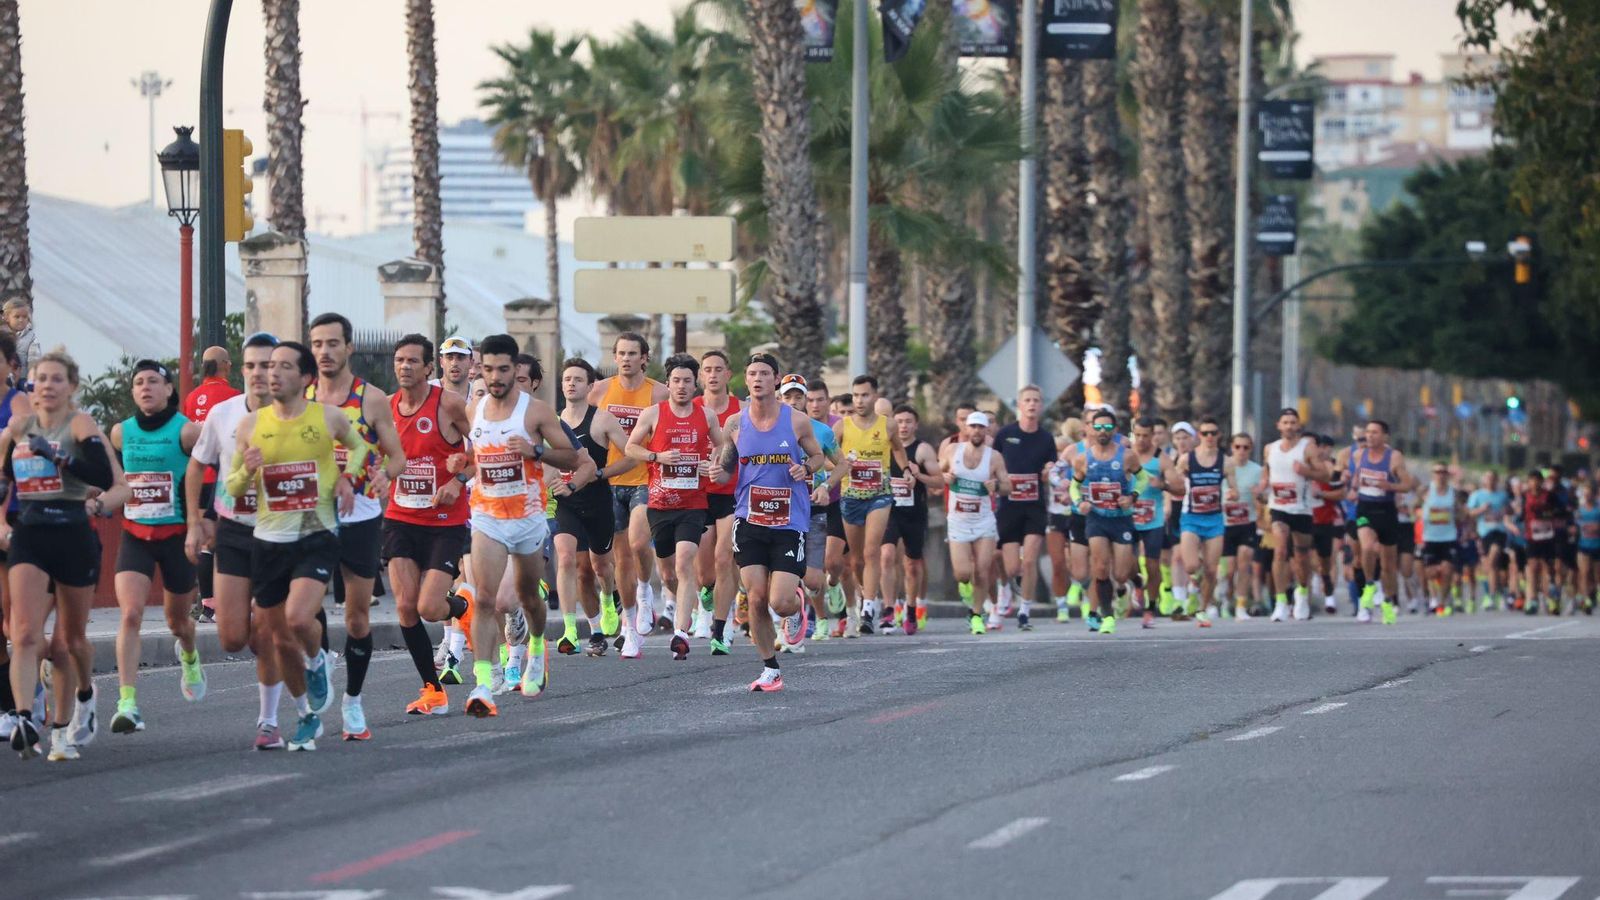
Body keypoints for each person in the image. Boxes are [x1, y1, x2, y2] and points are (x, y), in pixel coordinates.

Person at [227, 340, 371, 751]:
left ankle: (317, 661)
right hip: (268, 540)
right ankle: (306, 715)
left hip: (316, 535)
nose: (272, 373)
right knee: (278, 638)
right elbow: (233, 487)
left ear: (306, 378)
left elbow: (359, 449)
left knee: (295, 619)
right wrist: (245, 473)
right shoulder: (251, 425)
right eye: (270, 366)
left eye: (284, 366)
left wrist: (348, 477)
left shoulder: (328, 418)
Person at [2, 348, 126, 760]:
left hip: (73, 534)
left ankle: (80, 704)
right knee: (23, 632)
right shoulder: (18, 428)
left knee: (68, 642)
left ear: (71, 387)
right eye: (41, 379)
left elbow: (104, 477)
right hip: (30, 535)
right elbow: (3, 478)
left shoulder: (81, 423)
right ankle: (23, 716)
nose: (48, 386)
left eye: (57, 379)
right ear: (30, 386)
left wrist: (55, 455)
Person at [459, 336, 582, 717]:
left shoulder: (537, 412)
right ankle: (482, 681)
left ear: (516, 370)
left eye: (503, 370)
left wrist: (537, 451)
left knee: (529, 598)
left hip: (528, 518)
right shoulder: (473, 410)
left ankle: (536, 648)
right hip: (487, 516)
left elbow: (574, 458)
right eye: (488, 369)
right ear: (480, 369)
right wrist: (456, 471)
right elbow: (469, 457)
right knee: (485, 598)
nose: (495, 377)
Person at [184, 332, 288, 749]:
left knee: (265, 631)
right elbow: (196, 469)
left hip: (279, 532)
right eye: (252, 365)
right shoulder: (223, 414)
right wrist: (195, 521)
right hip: (233, 530)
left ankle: (268, 720)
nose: (260, 373)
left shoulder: (297, 416)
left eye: (269, 365)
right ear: (241, 370)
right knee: (230, 637)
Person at [306, 313, 406, 740]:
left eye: (333, 343)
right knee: (305, 606)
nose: (325, 351)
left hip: (361, 516)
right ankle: (320, 659)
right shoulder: (301, 397)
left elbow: (397, 456)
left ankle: (353, 702)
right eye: (317, 343)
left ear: (349, 347)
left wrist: (387, 475)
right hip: (311, 515)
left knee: (357, 618)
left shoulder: (371, 399)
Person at [709, 353, 824, 691]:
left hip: (789, 522)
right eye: (752, 374)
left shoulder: (797, 421)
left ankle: (797, 603)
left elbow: (817, 456)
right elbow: (728, 469)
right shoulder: (735, 424)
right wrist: (718, 473)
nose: (757, 379)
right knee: (756, 597)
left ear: (777, 380)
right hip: (749, 520)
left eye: (764, 374)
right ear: (745, 381)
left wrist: (807, 468)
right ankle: (770, 668)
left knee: (780, 602)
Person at [109, 360, 205, 734]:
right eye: (138, 382)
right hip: (135, 534)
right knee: (130, 614)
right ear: (132, 392)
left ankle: (191, 655)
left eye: (153, 381)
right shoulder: (121, 433)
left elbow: (206, 475)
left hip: (177, 537)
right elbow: (112, 477)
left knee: (177, 621)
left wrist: (203, 518)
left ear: (168, 390)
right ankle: (127, 703)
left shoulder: (188, 432)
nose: (145, 387)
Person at [384, 334, 474, 719]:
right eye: (399, 360)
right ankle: (433, 691)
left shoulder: (450, 405)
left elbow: (483, 451)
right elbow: (374, 452)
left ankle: (462, 607)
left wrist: (458, 481)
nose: (404, 366)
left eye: (412, 361)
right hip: (400, 518)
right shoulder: (384, 407)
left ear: (428, 369)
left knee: (428, 606)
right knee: (405, 608)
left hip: (444, 522)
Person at [625, 353, 724, 660]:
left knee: (685, 563)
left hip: (693, 503)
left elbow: (721, 445)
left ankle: (681, 633)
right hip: (660, 503)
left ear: (696, 385)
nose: (682, 386)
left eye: (687, 381)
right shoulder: (654, 413)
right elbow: (631, 446)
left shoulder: (705, 416)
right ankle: (663, 599)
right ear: (668, 384)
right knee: (668, 573)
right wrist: (657, 458)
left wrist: (712, 462)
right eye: (676, 381)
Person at [589, 332, 668, 652]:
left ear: (644, 358)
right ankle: (630, 625)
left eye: (632, 353)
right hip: (608, 482)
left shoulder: (659, 393)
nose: (626, 359)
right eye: (620, 353)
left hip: (645, 479)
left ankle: (646, 589)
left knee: (638, 542)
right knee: (620, 558)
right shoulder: (600, 390)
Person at [553, 358, 626, 657]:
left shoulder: (603, 420)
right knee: (570, 562)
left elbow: (630, 456)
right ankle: (576, 629)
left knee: (598, 567)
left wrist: (600, 473)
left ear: (590, 386)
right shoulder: (553, 421)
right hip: (566, 501)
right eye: (567, 378)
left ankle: (608, 599)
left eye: (578, 379)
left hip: (597, 502)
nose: (571, 383)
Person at [825, 375, 910, 635]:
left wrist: (905, 469)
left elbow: (897, 449)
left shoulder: (889, 426)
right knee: (857, 560)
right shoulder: (841, 427)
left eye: (865, 395)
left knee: (873, 552)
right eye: (856, 395)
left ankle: (869, 609)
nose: (860, 400)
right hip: (851, 498)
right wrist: (842, 466)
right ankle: (863, 596)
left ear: (875, 396)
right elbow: (826, 459)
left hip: (879, 495)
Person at [184, 345, 240, 624]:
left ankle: (208, 605)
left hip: (199, 477)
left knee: (207, 542)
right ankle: (224, 604)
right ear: (226, 366)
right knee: (227, 541)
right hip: (223, 480)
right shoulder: (234, 398)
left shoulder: (192, 398)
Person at [781, 374, 839, 646]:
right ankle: (791, 621)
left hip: (812, 509)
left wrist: (825, 485)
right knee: (783, 573)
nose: (793, 402)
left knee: (813, 580)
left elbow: (841, 464)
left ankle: (816, 609)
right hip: (779, 510)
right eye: (788, 396)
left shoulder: (821, 431)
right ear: (780, 397)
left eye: (798, 397)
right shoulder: (769, 426)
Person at [1074, 409, 1142, 633]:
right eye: (1098, 427)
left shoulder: (1127, 455)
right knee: (1100, 567)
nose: (1102, 431)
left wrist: (1132, 497)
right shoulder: (1083, 458)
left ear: (1114, 430)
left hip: (1121, 520)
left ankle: (1127, 585)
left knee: (1121, 574)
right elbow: (1075, 485)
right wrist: (1079, 502)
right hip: (1097, 518)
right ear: (1091, 429)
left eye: (1107, 427)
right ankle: (1107, 616)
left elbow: (1144, 480)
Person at [995, 385, 1057, 632]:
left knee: (1029, 560)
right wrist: (998, 482)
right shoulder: (1005, 434)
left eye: (1036, 401)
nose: (1032, 404)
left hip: (1034, 506)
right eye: (1027, 400)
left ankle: (1024, 610)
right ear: (1019, 405)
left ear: (1041, 406)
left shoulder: (1046, 438)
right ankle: (1015, 588)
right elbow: (992, 462)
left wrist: (1047, 472)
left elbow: (1050, 468)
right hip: (1009, 507)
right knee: (1012, 567)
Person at [941, 411, 1007, 634]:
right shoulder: (952, 451)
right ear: (966, 429)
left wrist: (996, 486)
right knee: (962, 573)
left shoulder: (994, 456)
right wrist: (945, 477)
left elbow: (1008, 486)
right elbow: (937, 472)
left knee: (982, 570)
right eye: (973, 427)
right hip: (958, 521)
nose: (977, 431)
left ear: (987, 430)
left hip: (984, 521)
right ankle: (966, 589)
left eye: (981, 427)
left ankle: (977, 614)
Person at [1172, 417, 1240, 628]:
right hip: (1191, 517)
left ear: (1219, 435)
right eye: (1205, 433)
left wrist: (1232, 494)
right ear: (1198, 436)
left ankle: (1202, 608)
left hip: (1214, 519)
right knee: (1191, 565)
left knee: (1211, 569)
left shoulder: (1226, 461)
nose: (1209, 437)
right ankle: (1193, 586)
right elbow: (1175, 483)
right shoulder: (1186, 459)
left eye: (1213, 433)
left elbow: (1235, 490)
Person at [692, 350, 741, 642]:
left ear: (728, 374)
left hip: (732, 493)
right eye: (707, 369)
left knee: (725, 558)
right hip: (698, 493)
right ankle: (704, 601)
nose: (712, 374)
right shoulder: (691, 407)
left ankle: (723, 616)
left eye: (718, 369)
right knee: (703, 571)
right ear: (701, 376)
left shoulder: (741, 409)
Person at [1350, 419, 1418, 625]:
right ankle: (1370, 586)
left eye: (1375, 432)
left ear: (1385, 436)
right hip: (1365, 508)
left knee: (1389, 566)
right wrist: (1354, 489)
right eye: (1368, 432)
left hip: (1386, 511)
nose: (1370, 436)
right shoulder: (1359, 454)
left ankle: (1388, 601)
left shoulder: (1394, 457)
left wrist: (1389, 485)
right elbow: (1355, 480)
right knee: (1368, 548)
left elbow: (1407, 484)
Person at [1264, 408, 1326, 621]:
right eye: (1285, 422)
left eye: (1293, 422)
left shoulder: (1307, 448)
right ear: (1278, 426)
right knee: (1280, 550)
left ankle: (1301, 593)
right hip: (1278, 507)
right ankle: (1280, 601)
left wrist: (1307, 472)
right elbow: (1267, 471)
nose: (1289, 426)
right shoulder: (1270, 449)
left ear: (1298, 425)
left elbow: (1324, 473)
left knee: (1301, 556)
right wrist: (1262, 484)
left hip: (1301, 508)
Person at [884, 404, 940, 634]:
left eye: (908, 421)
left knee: (912, 564)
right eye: (899, 421)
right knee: (886, 555)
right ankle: (888, 610)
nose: (903, 426)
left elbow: (939, 482)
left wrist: (919, 475)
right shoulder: (884, 446)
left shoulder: (923, 449)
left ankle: (910, 607)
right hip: (889, 511)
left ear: (915, 424)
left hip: (914, 513)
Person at [1130, 418, 1178, 627]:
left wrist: (1163, 485)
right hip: (1127, 517)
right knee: (1125, 567)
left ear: (1153, 436)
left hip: (1153, 519)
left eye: (1146, 435)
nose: (1141, 440)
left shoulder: (1162, 458)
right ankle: (1137, 583)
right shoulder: (1126, 455)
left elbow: (1181, 489)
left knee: (1153, 565)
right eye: (1138, 435)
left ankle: (1150, 608)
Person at [1047, 419, 1085, 623]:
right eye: (1056, 451)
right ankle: (1061, 606)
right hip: (1054, 516)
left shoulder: (1076, 464)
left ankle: (1084, 595)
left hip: (1075, 514)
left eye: (1063, 450)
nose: (1059, 455)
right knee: (1058, 563)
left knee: (1078, 562)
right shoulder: (1050, 468)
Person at [1221, 431, 1263, 620]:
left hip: (1247, 523)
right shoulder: (1223, 467)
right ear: (1232, 447)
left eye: (1246, 447)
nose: (1241, 451)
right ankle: (1223, 599)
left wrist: (1259, 495)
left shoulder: (1257, 470)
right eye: (1238, 447)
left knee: (1244, 562)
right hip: (1225, 523)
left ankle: (1241, 605)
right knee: (1229, 570)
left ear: (1251, 449)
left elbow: (1266, 496)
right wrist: (1226, 497)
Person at [1419, 461, 1462, 614]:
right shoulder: (1425, 490)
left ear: (1447, 475)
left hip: (1449, 537)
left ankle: (1442, 602)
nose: (1440, 475)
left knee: (1447, 570)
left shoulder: (1453, 492)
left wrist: (1462, 523)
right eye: (1437, 472)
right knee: (1431, 573)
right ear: (1433, 474)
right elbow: (1414, 507)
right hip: (1430, 537)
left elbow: (1461, 511)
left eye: (1443, 472)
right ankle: (1434, 597)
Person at [1467, 470, 1509, 609]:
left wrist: (1506, 512)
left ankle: (1491, 595)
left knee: (1492, 560)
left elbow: (1509, 511)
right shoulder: (1477, 495)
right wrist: (1482, 509)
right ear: (1484, 480)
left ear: (1497, 480)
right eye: (1488, 478)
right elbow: (1469, 513)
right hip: (1484, 533)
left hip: (1499, 532)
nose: (1490, 481)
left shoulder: (1502, 495)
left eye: (1493, 478)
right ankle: (1497, 593)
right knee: (1492, 566)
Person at [3, 295, 40, 375]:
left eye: (24, 317)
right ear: (6, 317)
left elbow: (34, 360)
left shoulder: (31, 338)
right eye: (17, 317)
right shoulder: (2, 335)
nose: (21, 320)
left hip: (21, 377)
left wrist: (32, 375)